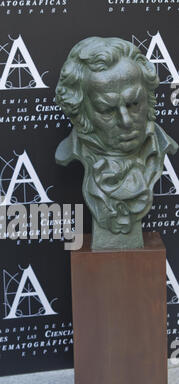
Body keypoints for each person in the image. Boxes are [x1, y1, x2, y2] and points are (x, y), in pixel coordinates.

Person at [55, 37, 178, 250]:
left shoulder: (161, 143)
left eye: (134, 104)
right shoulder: (71, 149)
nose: (126, 121)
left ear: (148, 98)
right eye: (108, 110)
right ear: (80, 112)